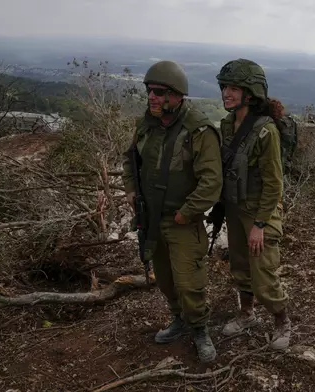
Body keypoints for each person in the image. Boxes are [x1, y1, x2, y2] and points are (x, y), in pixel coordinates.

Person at [121, 60, 223, 363]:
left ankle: (200, 329)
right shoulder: (146, 125)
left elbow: (211, 182)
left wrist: (186, 212)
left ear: (177, 95)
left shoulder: (198, 130)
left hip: (182, 221)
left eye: (159, 92)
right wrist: (130, 191)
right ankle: (178, 320)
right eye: (149, 91)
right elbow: (130, 161)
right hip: (152, 218)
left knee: (190, 282)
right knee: (165, 279)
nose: (152, 97)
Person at [212, 58, 291, 350]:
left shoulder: (265, 131)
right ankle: (247, 314)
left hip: (261, 211)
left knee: (263, 272)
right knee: (241, 266)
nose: (226, 94)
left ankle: (282, 321)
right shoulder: (227, 125)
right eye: (224, 88)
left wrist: (259, 225)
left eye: (234, 88)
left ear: (250, 92)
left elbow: (274, 183)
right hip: (235, 208)